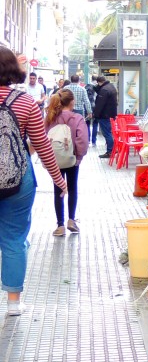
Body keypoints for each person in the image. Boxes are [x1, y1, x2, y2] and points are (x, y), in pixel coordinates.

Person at [0, 47, 67, 316]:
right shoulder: (26, 102)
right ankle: (14, 302)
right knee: (14, 239)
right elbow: (42, 145)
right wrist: (59, 180)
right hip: (19, 180)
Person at [44, 89, 88, 237]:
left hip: (54, 160)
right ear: (72, 102)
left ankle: (60, 226)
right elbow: (82, 139)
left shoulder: (50, 117)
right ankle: (71, 220)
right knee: (72, 188)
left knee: (58, 190)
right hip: (72, 159)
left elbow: (44, 137)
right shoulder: (77, 118)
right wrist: (79, 156)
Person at [92, 75, 118, 158]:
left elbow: (100, 104)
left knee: (107, 133)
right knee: (109, 133)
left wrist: (95, 115)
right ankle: (113, 149)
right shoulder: (111, 87)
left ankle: (110, 151)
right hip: (111, 114)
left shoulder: (104, 90)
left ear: (99, 82)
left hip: (104, 115)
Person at [85, 80, 98, 145]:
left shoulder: (86, 89)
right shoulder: (97, 89)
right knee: (95, 124)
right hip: (96, 109)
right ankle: (94, 140)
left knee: (87, 124)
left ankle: (87, 140)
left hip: (87, 109)